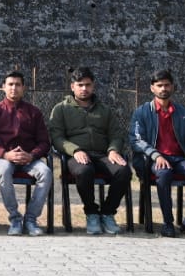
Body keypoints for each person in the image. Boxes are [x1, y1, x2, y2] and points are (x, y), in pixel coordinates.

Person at [49, 66, 131, 235]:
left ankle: (107, 212)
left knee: (123, 171)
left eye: (87, 85)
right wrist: (75, 150)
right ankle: (91, 212)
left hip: (102, 155)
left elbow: (116, 133)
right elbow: (57, 137)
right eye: (80, 85)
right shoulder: (61, 109)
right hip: (76, 156)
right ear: (72, 87)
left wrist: (114, 150)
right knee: (85, 171)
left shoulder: (105, 110)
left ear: (93, 86)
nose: (84, 89)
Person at [128, 69, 185, 238]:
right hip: (153, 160)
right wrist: (156, 155)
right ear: (152, 88)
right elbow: (136, 140)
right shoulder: (142, 112)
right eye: (159, 85)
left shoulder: (182, 113)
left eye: (166, 85)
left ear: (173, 87)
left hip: (179, 159)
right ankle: (168, 223)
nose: (163, 89)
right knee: (164, 173)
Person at [0, 70, 52, 237]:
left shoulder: (34, 112)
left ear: (23, 88)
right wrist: (4, 154)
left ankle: (31, 219)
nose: (14, 88)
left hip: (29, 159)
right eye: (10, 84)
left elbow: (44, 142)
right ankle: (15, 219)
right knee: (3, 170)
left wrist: (32, 155)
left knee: (46, 172)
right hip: (5, 158)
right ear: (3, 87)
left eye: (18, 85)